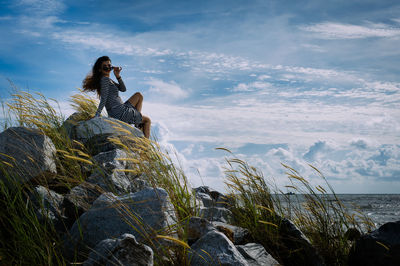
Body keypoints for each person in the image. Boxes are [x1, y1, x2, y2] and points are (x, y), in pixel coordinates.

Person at [82, 56, 151, 138]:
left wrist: (117, 75)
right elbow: (103, 99)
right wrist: (97, 115)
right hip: (119, 112)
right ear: (99, 69)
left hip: (121, 109)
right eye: (105, 66)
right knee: (147, 121)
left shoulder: (108, 80)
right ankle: (145, 144)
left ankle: (137, 122)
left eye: (109, 65)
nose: (108, 67)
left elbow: (123, 89)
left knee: (138, 95)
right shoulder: (105, 80)